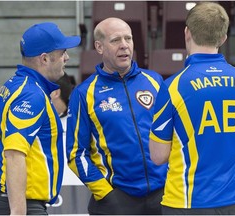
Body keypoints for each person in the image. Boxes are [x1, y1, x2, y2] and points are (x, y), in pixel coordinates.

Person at [149, 2, 235, 215]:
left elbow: (158, 156)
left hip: (186, 201)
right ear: (224, 38)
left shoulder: (173, 86)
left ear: (187, 32)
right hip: (233, 198)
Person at [66, 17, 167, 215]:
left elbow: (173, 135)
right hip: (116, 199)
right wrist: (105, 193)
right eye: (115, 40)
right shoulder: (84, 93)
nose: (124, 46)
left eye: (128, 39)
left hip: (163, 195)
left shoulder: (154, 81)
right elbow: (76, 154)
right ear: (99, 47)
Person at [0, 22, 81, 215]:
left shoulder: (15, 85)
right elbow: (14, 153)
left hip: (4, 200)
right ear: (44, 59)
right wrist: (18, 212)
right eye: (62, 53)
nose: (67, 58)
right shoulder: (31, 94)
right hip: (20, 204)